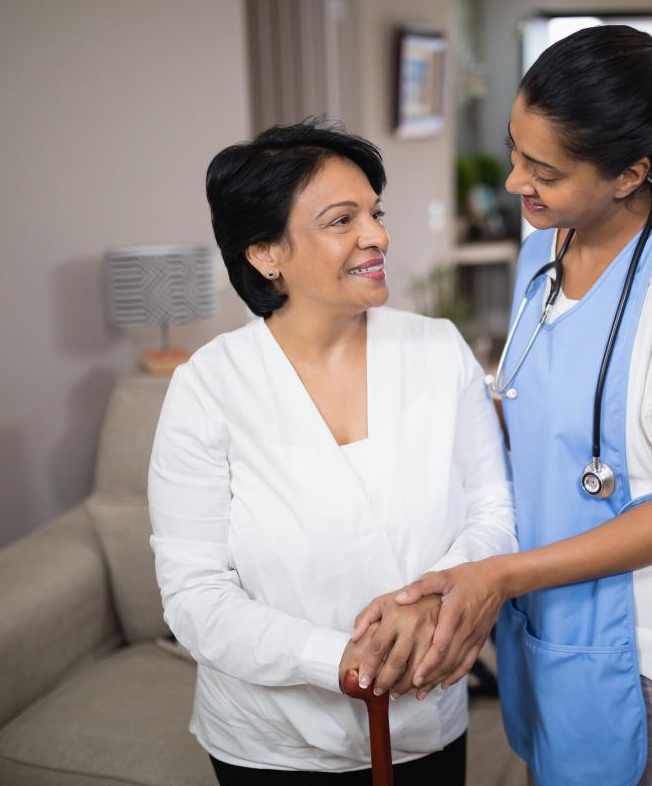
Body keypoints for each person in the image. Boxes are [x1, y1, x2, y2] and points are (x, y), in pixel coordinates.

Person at [352, 26, 652, 785]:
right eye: (516, 151)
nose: (516, 181)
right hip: (551, 630)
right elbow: (524, 422)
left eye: (543, 170)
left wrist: (504, 576)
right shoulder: (543, 250)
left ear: (628, 174)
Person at [147, 120, 516, 785]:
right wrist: (341, 658)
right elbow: (195, 595)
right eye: (342, 220)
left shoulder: (437, 351)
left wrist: (442, 600)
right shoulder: (209, 387)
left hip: (424, 722)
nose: (376, 235)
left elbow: (493, 506)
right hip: (269, 744)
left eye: (375, 213)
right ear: (266, 252)